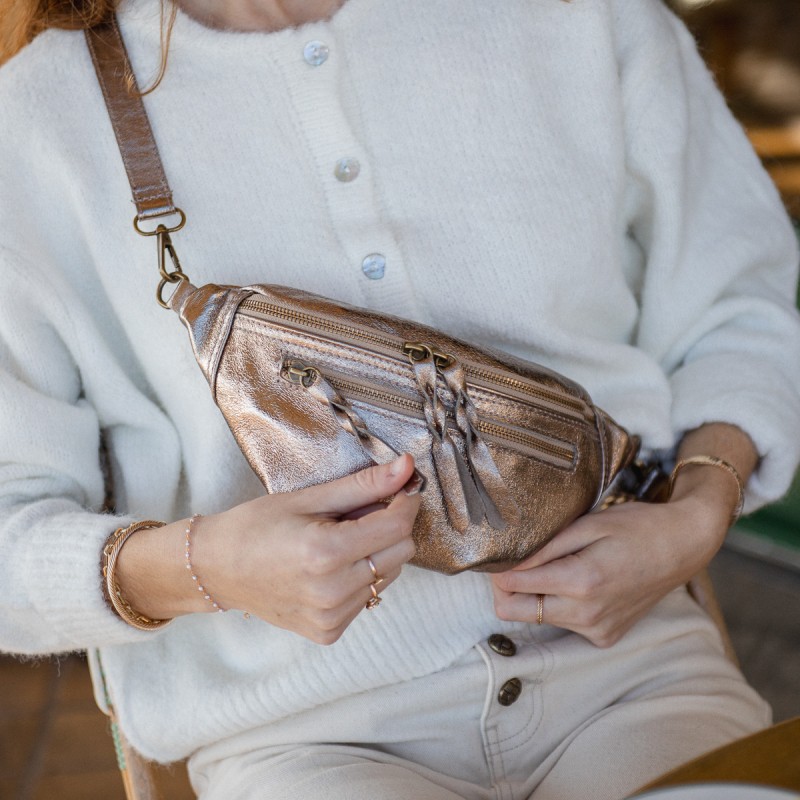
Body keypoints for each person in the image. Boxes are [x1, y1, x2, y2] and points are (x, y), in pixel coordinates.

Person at [1, 0, 799, 798]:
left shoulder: (580, 18)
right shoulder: (41, 119)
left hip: (635, 677)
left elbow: (743, 308)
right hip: (306, 742)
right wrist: (210, 566)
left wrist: (694, 519)